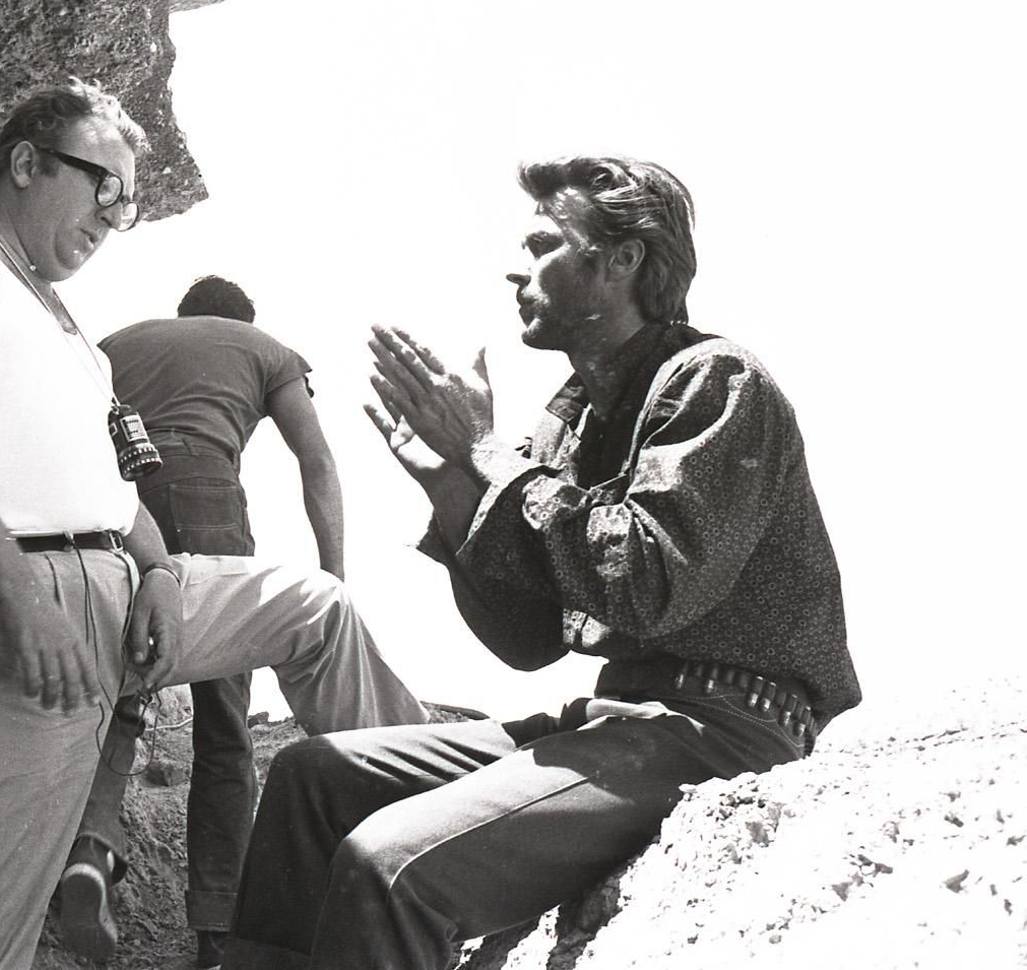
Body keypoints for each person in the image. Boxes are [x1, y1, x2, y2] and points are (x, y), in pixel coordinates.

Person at [0, 78, 425, 970]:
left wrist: (155, 569)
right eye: (100, 185)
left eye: (129, 200)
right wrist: (17, 588)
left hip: (124, 590)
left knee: (315, 607)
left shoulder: (73, 327)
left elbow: (113, 479)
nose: (114, 216)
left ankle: (434, 827)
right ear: (27, 162)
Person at [223, 156, 860, 970]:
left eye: (542, 242)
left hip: (724, 730)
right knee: (313, 778)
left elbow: (647, 583)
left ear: (622, 258)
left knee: (393, 866)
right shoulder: (568, 423)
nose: (515, 268)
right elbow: (528, 641)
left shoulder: (714, 380)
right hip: (622, 719)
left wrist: (488, 455)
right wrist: (455, 488)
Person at [60, 276, 344, 969]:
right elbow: (317, 460)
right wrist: (333, 578)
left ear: (183, 315)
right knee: (223, 725)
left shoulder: (116, 343)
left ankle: (90, 853)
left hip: (107, 503)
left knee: (121, 694)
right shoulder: (264, 347)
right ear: (242, 321)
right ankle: (219, 930)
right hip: (202, 493)